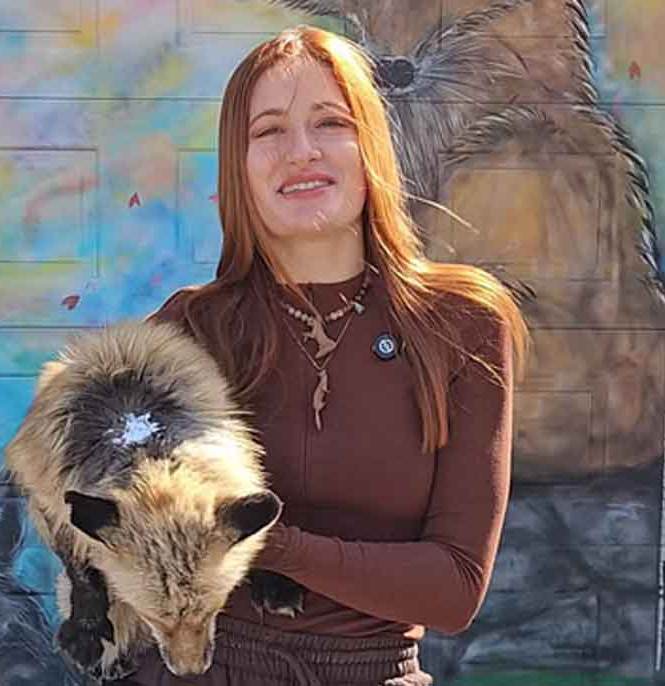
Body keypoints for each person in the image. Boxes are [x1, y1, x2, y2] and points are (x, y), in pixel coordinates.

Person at [135, 23, 529, 686]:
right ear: (238, 165)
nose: (301, 151)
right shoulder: (189, 329)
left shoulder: (462, 323)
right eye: (268, 131)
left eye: (330, 122)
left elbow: (454, 589)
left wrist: (270, 543)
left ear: (369, 144)